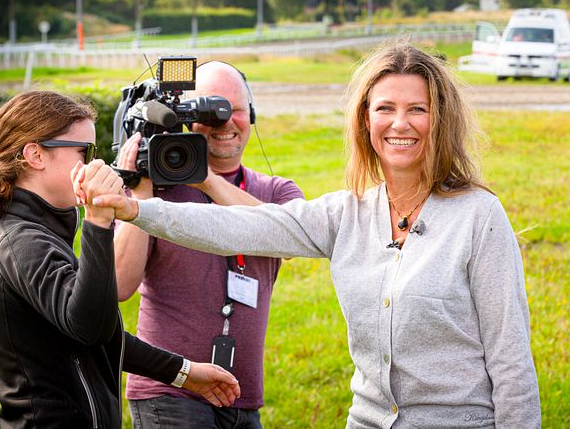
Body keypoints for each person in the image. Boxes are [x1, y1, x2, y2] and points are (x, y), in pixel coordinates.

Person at [93, 43, 542, 428]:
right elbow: (243, 226)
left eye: (417, 109)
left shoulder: (478, 216)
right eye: (385, 108)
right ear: (365, 122)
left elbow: (511, 362)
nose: (399, 124)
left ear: (440, 120)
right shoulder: (348, 213)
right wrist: (137, 208)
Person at [0, 90, 240, 428]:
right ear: (35, 155)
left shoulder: (39, 232)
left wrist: (183, 373)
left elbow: (99, 329)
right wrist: (98, 220)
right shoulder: (22, 243)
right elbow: (90, 327)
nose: (94, 163)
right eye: (83, 151)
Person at [113, 61, 304, 428]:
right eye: (210, 111)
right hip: (170, 391)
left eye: (233, 110)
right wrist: (141, 194)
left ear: (252, 114)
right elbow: (120, 285)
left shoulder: (277, 193)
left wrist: (206, 182)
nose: (224, 123)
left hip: (243, 395)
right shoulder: (156, 189)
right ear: (185, 118)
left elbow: (290, 236)